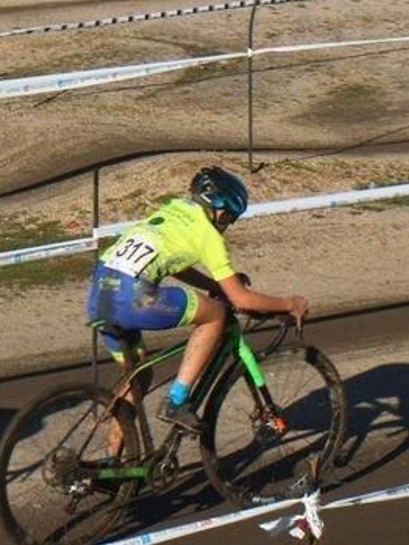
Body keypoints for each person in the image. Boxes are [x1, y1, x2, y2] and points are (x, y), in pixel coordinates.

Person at [87, 166, 308, 436]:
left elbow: (176, 264)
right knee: (215, 315)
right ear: (220, 211)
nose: (228, 225)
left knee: (138, 379)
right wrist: (290, 303)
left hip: (100, 296)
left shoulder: (172, 210)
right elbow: (242, 299)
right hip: (133, 298)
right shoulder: (208, 234)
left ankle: (119, 459)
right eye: (231, 218)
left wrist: (215, 286)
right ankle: (176, 402)